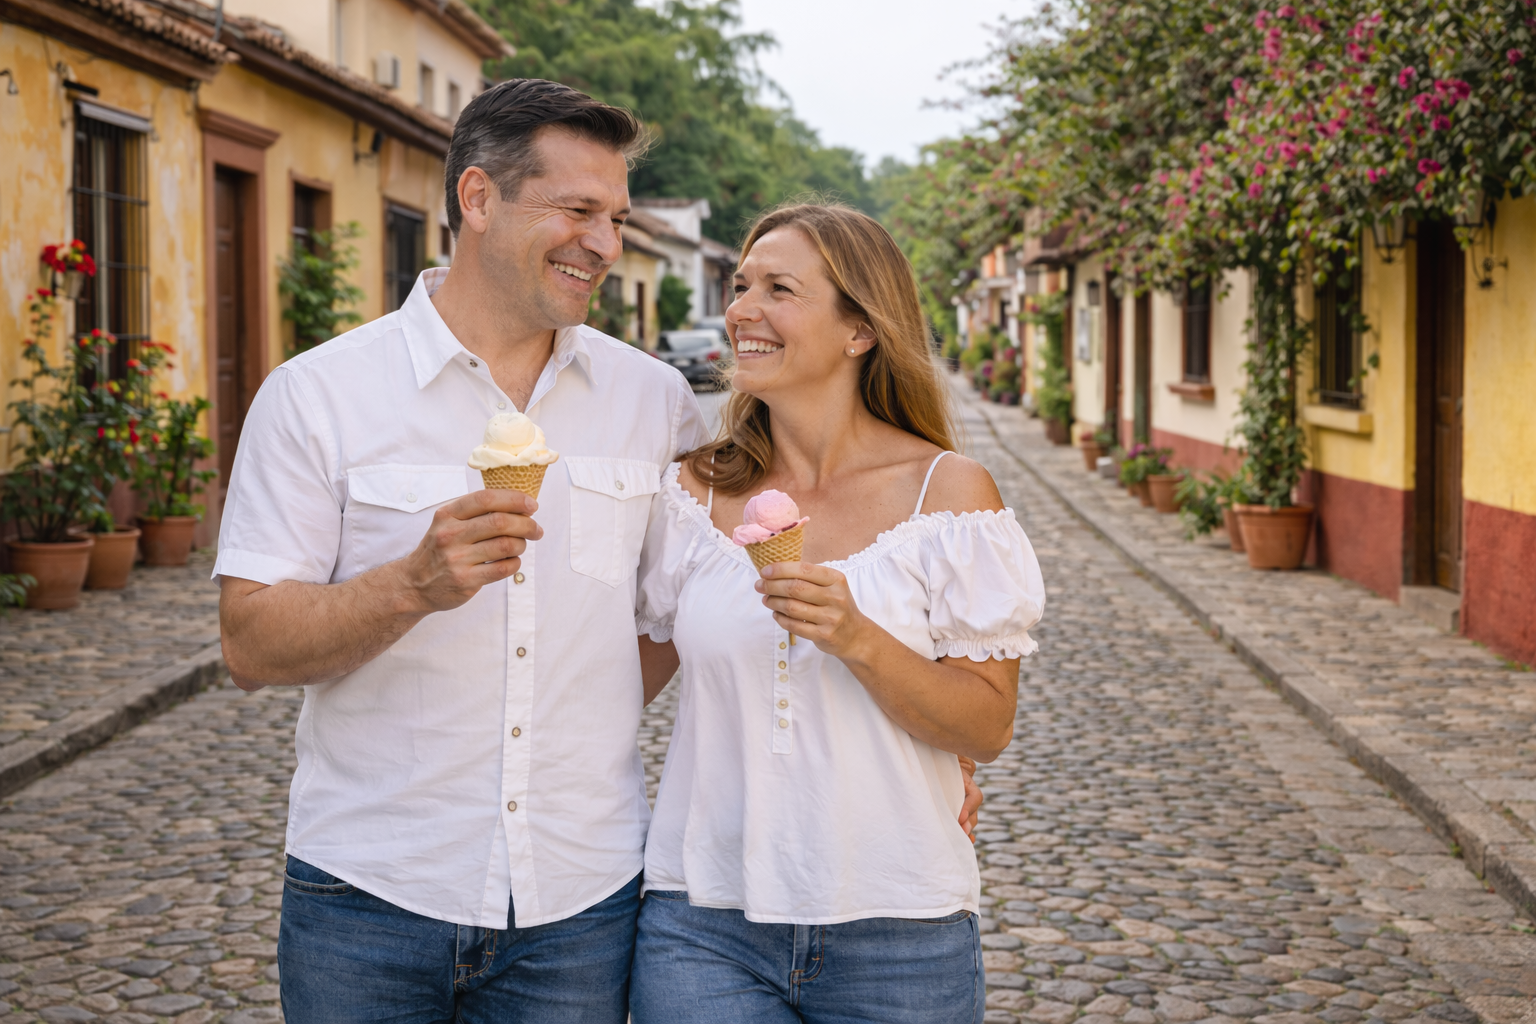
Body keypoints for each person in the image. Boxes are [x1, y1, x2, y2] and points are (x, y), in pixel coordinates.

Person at [214, 80, 712, 1022]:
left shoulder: (654, 404)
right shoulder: (317, 396)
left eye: (616, 217)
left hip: (581, 899)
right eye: (577, 210)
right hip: (367, 894)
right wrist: (411, 584)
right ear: (478, 199)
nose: (604, 244)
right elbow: (250, 644)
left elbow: (690, 615)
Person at [629, 203, 1046, 1024]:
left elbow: (985, 729)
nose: (742, 310)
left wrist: (857, 637)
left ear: (860, 329)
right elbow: (612, 685)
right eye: (740, 286)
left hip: (900, 924)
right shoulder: (690, 493)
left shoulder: (949, 496)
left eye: (779, 289)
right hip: (703, 918)